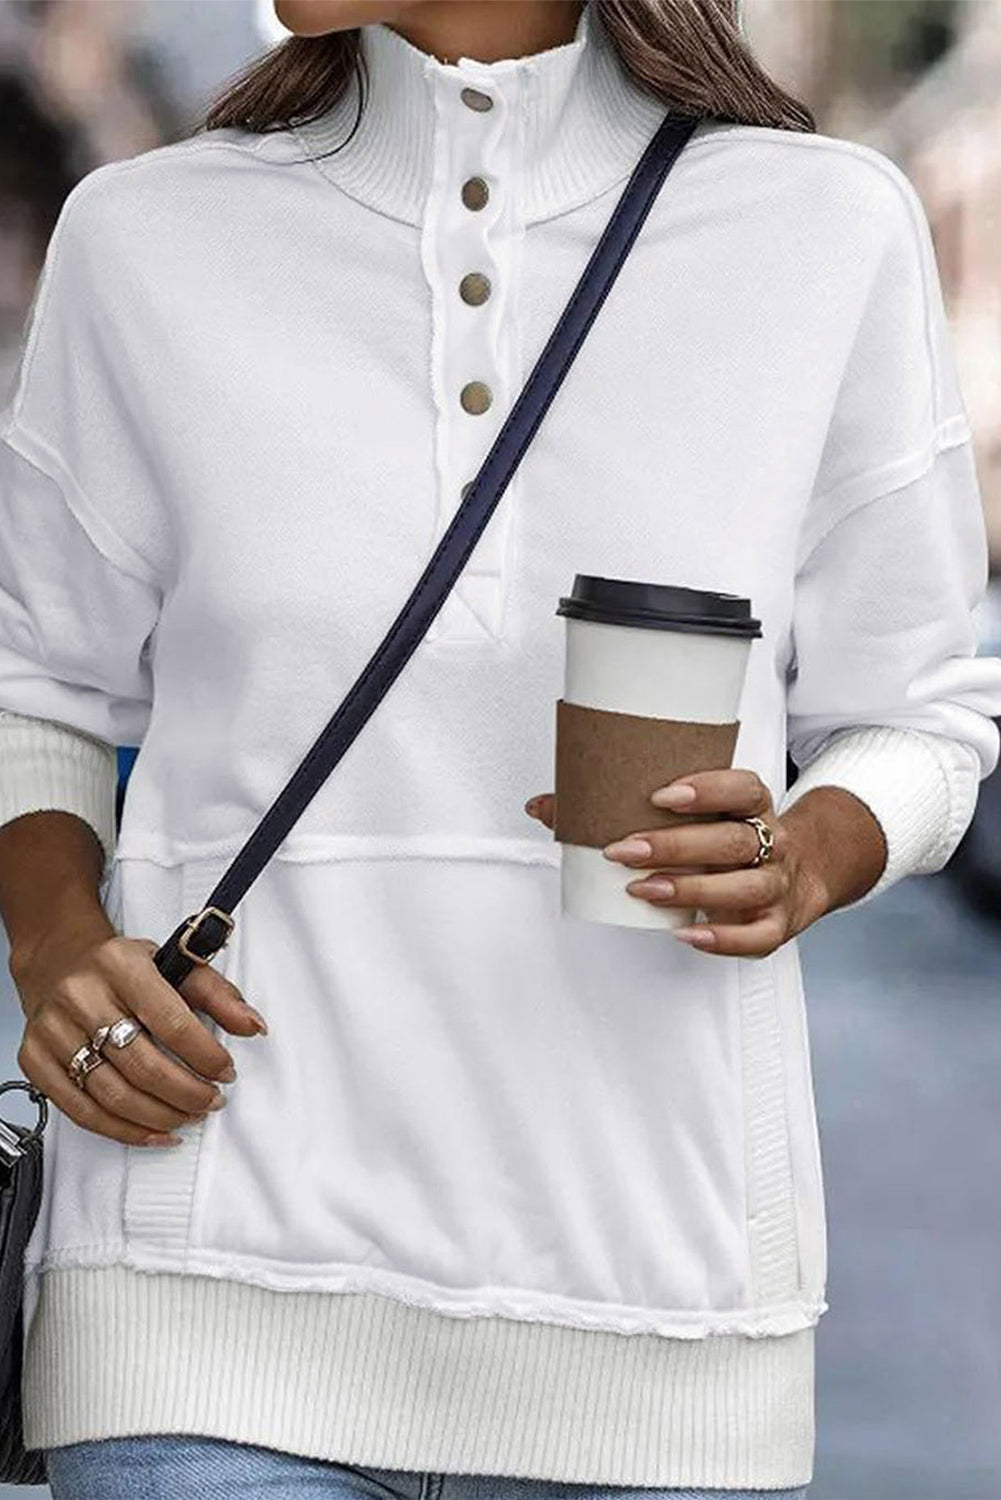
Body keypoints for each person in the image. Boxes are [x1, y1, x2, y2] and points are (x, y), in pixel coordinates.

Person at [1, 1, 999, 1496]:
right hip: (198, 1286)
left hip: (656, 1308)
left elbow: (915, 709)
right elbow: (38, 684)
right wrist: (55, 940)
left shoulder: (820, 231)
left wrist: (812, 849)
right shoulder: (145, 240)